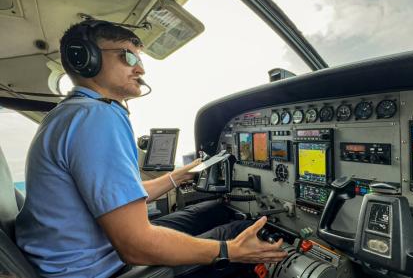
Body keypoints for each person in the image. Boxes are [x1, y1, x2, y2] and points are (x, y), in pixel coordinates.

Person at [14, 20, 287, 278]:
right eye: (128, 57)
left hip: (79, 255)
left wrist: (177, 177)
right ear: (86, 59)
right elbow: (136, 246)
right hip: (96, 269)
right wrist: (231, 251)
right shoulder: (96, 118)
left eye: (139, 59)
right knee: (244, 231)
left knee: (219, 208)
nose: (140, 69)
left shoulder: (72, 113)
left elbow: (118, 199)